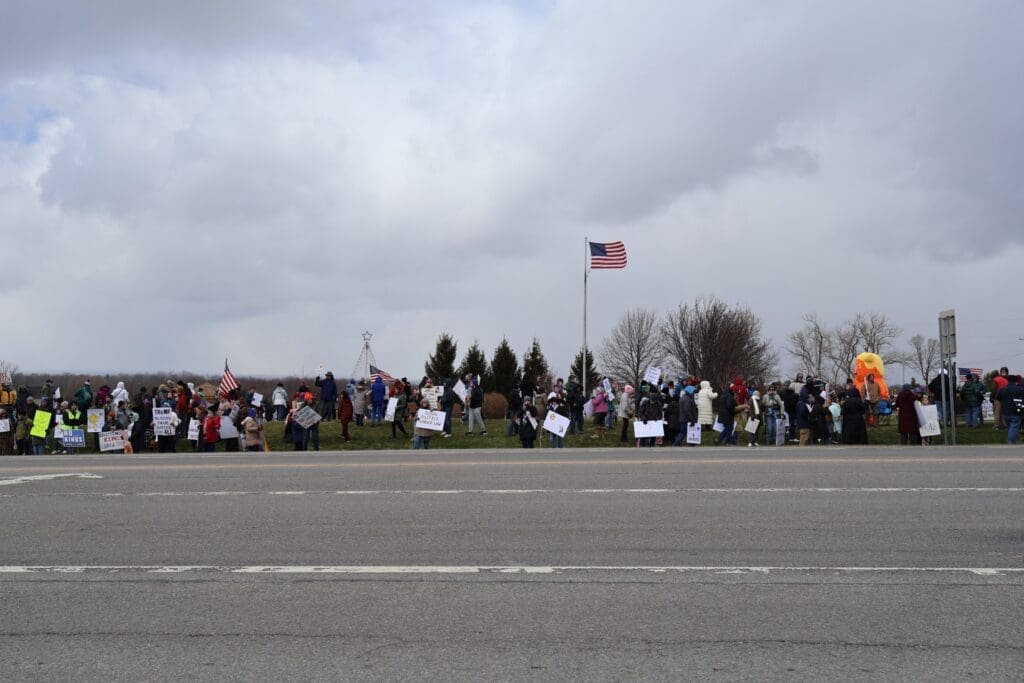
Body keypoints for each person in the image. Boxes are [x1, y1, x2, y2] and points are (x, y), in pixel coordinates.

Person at [994, 374, 1023, 445]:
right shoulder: (1019, 389)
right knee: (1014, 427)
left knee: (1010, 427)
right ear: (1016, 381)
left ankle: (1012, 440)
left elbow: (997, 398)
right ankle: (1011, 442)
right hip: (1016, 411)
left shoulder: (1002, 389)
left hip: (1004, 412)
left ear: (1007, 381)